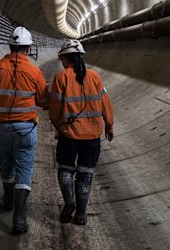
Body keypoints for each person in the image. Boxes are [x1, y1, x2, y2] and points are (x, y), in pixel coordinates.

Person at [0, 26, 49, 235]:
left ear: (10, 45)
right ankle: (20, 219)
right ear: (29, 47)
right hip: (26, 128)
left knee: (6, 164)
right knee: (24, 169)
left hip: (2, 127)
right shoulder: (34, 71)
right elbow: (43, 100)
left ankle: (8, 200)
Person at [49, 39, 114, 225]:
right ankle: (81, 214)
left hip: (69, 134)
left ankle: (69, 202)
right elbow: (105, 103)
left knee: (65, 168)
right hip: (92, 136)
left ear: (66, 59)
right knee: (85, 173)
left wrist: (59, 126)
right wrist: (109, 125)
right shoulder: (95, 77)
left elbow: (54, 108)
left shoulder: (61, 77)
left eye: (62, 59)